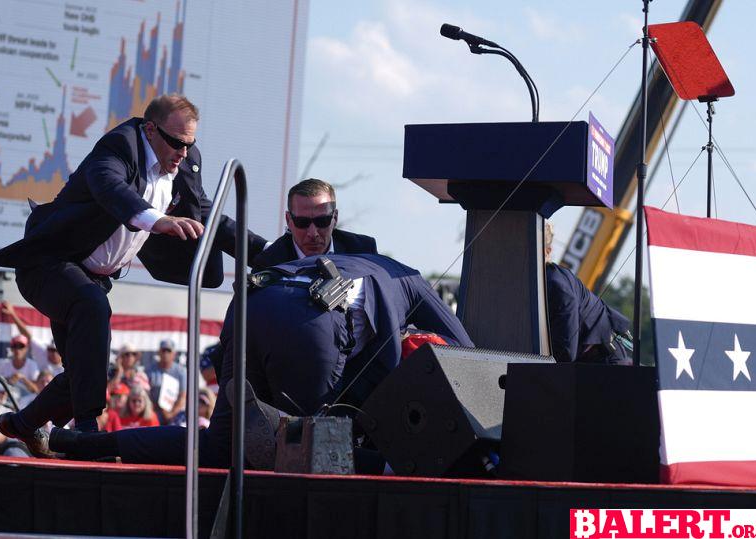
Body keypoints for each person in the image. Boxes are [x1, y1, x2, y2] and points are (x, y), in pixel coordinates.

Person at [0, 94, 267, 456]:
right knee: (93, 307)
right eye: (176, 143)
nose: (183, 152)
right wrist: (158, 219)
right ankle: (87, 431)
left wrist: (270, 253)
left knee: (83, 374)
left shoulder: (183, 163)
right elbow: (111, 188)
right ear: (150, 130)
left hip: (91, 277)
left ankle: (21, 424)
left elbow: (209, 217)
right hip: (49, 265)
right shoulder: (119, 147)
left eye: (190, 144)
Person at [49, 253, 473, 470]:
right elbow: (465, 350)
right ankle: (275, 428)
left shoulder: (367, 266)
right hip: (312, 323)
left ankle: (88, 444)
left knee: (219, 446)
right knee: (315, 449)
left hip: (251, 304)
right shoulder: (411, 283)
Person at [544, 222, 631, 364]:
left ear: (547, 252)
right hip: (584, 360)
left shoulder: (558, 287)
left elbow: (565, 352)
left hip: (603, 360)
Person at [250, 178, 377, 271]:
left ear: (335, 217)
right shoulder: (269, 264)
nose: (313, 233)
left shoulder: (363, 251)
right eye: (302, 222)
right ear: (289, 220)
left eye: (322, 221)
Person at [144, 339, 187, 425]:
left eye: (168, 351)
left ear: (174, 354)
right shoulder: (149, 370)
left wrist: (171, 414)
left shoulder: (181, 371)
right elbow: (146, 394)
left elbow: (183, 396)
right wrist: (154, 410)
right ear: (159, 352)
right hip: (154, 411)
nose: (165, 354)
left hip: (175, 413)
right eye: (163, 350)